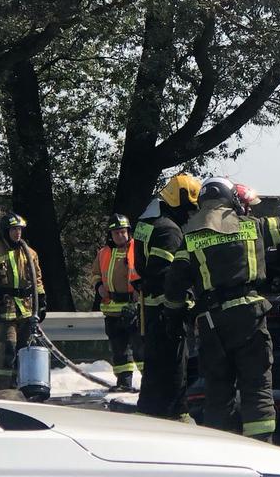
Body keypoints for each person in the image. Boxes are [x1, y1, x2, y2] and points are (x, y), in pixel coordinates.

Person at [163, 177, 280, 441]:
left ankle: (223, 453)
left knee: (217, 391)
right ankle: (262, 449)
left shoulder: (190, 238)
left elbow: (174, 286)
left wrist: (174, 314)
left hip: (211, 322)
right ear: (231, 200)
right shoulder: (255, 226)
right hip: (249, 317)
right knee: (257, 386)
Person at [135, 173, 200, 421]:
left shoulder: (147, 223)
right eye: (188, 208)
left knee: (153, 368)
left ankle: (147, 413)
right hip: (166, 310)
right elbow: (167, 276)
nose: (190, 214)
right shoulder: (169, 232)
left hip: (150, 308)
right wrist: (184, 304)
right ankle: (178, 415)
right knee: (174, 366)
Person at [0, 213, 46, 393]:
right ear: (5, 231)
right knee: (8, 345)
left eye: (20, 229)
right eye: (14, 229)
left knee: (24, 349)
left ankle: (20, 384)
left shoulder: (30, 253)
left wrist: (42, 302)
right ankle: (2, 386)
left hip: (25, 308)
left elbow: (37, 278)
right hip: (5, 308)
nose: (18, 233)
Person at [91, 214, 142, 391]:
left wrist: (138, 298)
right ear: (110, 235)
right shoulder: (103, 252)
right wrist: (98, 286)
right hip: (112, 309)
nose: (120, 236)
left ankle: (151, 383)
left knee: (140, 349)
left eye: (123, 232)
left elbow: (143, 274)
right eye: (116, 233)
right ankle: (124, 383)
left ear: (128, 232)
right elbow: (96, 273)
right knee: (119, 350)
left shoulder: (137, 249)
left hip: (132, 308)